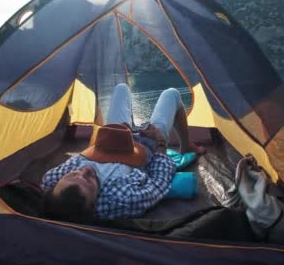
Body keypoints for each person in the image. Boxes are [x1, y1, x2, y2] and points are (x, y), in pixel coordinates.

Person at [41, 83, 205, 222]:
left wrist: (118, 134)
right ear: (94, 204)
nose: (86, 171)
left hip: (111, 139)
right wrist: (160, 141)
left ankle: (128, 128)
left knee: (121, 88)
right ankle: (186, 146)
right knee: (172, 94)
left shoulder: (53, 183)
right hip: (146, 145)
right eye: (89, 182)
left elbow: (81, 157)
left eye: (73, 174)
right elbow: (159, 182)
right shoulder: (121, 200)